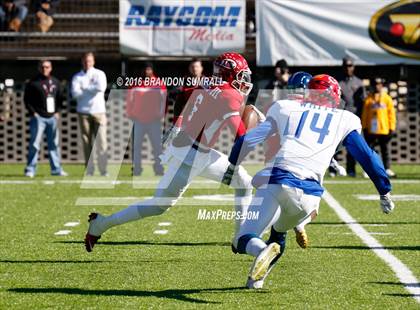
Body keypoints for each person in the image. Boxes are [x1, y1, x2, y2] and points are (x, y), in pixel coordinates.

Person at [221, 74, 394, 289]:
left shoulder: (285, 108)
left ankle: (259, 251)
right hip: (309, 195)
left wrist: (233, 165)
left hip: (276, 181)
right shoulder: (345, 118)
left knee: (243, 238)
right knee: (279, 234)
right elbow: (367, 156)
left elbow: (249, 139)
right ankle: (255, 282)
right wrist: (384, 190)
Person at [84, 52, 254, 253]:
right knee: (159, 205)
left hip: (200, 152)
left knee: (244, 182)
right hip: (189, 157)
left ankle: (239, 238)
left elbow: (183, 95)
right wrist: (261, 128)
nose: (244, 80)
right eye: (241, 75)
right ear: (229, 74)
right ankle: (101, 224)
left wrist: (177, 123)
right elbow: (242, 137)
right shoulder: (228, 94)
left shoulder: (206, 82)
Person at [24, 60, 67, 177]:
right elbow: (27, 100)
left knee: (54, 144)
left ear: (51, 68)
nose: (45, 69)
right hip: (38, 118)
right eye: (43, 67)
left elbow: (60, 98)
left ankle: (56, 169)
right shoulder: (33, 82)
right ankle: (30, 169)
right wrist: (33, 113)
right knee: (35, 144)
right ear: (39, 68)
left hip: (52, 117)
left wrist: (57, 111)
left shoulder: (56, 82)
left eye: (47, 67)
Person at [71, 52, 108, 176]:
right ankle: (89, 170)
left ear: (93, 61)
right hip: (83, 112)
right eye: (85, 61)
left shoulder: (99, 74)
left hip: (99, 111)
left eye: (90, 61)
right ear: (82, 62)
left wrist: (85, 88)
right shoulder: (77, 77)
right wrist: (91, 89)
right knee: (87, 143)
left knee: (101, 141)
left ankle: (103, 170)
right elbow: (75, 93)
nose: (88, 63)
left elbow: (101, 88)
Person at [126, 63, 166, 176]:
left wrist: (161, 115)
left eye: (148, 69)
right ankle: (137, 169)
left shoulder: (159, 84)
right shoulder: (135, 83)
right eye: (144, 69)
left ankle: (159, 168)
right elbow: (129, 100)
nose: (146, 71)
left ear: (151, 70)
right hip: (138, 120)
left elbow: (164, 101)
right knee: (136, 147)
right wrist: (130, 114)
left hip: (154, 121)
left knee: (157, 147)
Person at [336, 57, 366, 177]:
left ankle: (355, 170)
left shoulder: (359, 83)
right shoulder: (339, 83)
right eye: (346, 65)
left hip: (355, 118)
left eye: (350, 65)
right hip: (341, 117)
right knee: (337, 144)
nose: (348, 68)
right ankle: (335, 169)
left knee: (356, 145)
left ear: (353, 67)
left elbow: (364, 101)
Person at [362, 77, 397, 178]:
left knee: (385, 150)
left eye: (380, 84)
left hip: (384, 129)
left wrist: (392, 127)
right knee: (369, 151)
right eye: (376, 84)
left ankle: (387, 168)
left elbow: (391, 114)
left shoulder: (387, 98)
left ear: (382, 85)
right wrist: (364, 127)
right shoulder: (369, 99)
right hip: (371, 129)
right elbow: (365, 114)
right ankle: (368, 170)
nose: (378, 86)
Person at [173, 58, 204, 124]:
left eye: (197, 67)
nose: (195, 69)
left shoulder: (208, 82)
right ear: (189, 68)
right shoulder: (183, 82)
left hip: (203, 118)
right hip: (187, 119)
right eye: (193, 67)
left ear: (201, 68)